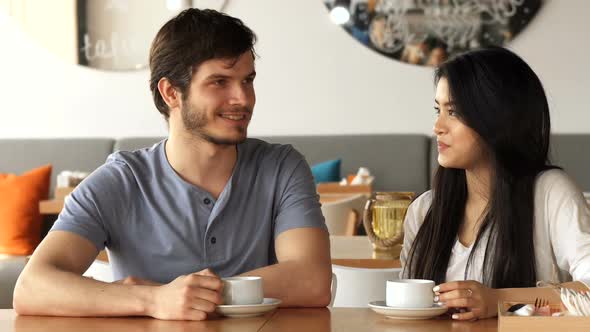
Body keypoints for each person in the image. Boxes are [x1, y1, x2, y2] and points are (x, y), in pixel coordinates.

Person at [14, 9, 332, 320]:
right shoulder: (120, 181)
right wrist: (154, 300)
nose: (243, 98)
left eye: (247, 80)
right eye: (220, 82)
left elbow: (312, 279)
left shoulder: (282, 167)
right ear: (171, 93)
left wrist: (197, 294)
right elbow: (31, 287)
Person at [400, 47, 590, 321]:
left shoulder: (550, 192)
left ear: (496, 118)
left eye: (453, 112)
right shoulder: (424, 210)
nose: (437, 126)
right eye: (437, 110)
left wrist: (498, 300)